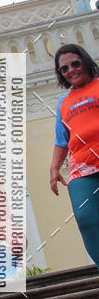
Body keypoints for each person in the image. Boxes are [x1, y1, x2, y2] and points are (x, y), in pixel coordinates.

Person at [50, 43, 99, 268]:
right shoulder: (64, 103)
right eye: (64, 68)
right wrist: (54, 169)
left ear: (85, 62)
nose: (71, 70)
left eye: (75, 64)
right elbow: (62, 140)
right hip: (82, 169)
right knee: (86, 219)